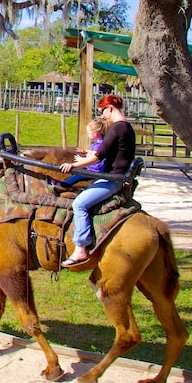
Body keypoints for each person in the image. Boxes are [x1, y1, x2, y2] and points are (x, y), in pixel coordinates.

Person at [59, 95, 136, 266]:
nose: (103, 117)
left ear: (110, 108)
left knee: (79, 204)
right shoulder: (126, 128)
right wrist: (85, 155)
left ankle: (80, 248)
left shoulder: (116, 128)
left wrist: (73, 166)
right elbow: (104, 152)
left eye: (103, 112)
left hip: (111, 179)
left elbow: (98, 156)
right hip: (115, 177)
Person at [61, 118, 107, 186]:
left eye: (89, 133)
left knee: (78, 174)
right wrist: (86, 151)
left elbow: (95, 157)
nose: (88, 135)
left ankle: (63, 185)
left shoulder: (98, 145)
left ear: (95, 134)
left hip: (95, 171)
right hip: (95, 169)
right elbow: (96, 152)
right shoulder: (102, 143)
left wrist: (82, 160)